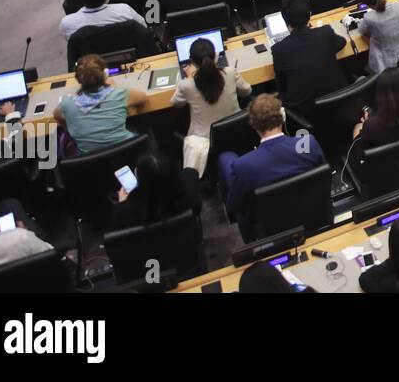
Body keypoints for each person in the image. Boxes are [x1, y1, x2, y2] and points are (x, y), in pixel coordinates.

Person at [219, 94, 326, 240]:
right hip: (314, 218)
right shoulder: (308, 144)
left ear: (253, 125)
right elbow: (324, 179)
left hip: (269, 234)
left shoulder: (244, 166)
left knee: (225, 158)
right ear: (282, 117)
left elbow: (233, 206)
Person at [173, 36, 250, 173]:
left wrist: (191, 77)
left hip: (205, 141)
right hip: (236, 131)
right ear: (215, 55)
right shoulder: (230, 72)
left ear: (191, 61)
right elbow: (247, 91)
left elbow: (175, 103)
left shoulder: (187, 84)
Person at [53, 55, 148, 154]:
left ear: (78, 80)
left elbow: (56, 116)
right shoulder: (119, 94)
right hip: (127, 154)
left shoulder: (67, 103)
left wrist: (72, 129)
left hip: (91, 164)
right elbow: (143, 97)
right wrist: (114, 87)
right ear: (105, 74)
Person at [270, 0, 347, 114]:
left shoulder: (278, 49)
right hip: (338, 103)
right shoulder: (325, 33)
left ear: (285, 20)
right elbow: (342, 42)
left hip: (305, 112)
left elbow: (282, 85)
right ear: (309, 15)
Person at [109, 149, 200, 231]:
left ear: (142, 182)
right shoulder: (188, 197)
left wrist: (122, 203)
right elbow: (190, 173)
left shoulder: (124, 213)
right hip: (183, 245)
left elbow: (117, 242)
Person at [352, 68, 399, 148]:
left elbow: (359, 155)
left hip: (385, 160)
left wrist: (365, 125)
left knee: (358, 127)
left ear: (381, 95)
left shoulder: (371, 126)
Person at [58, 0, 147, 41]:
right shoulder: (124, 10)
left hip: (89, 64)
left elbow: (71, 43)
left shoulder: (66, 23)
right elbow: (144, 27)